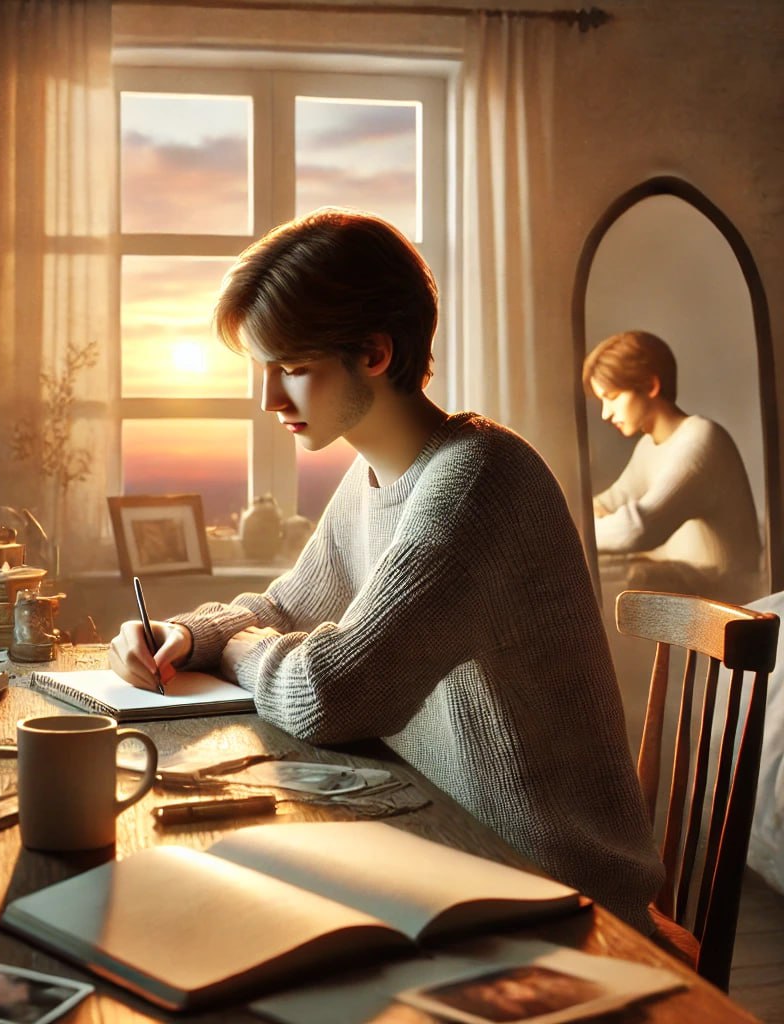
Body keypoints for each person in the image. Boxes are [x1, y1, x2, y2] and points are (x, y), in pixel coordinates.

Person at [109, 209, 663, 934]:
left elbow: (330, 694)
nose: (269, 401)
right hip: (447, 851)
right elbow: (287, 607)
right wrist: (187, 632)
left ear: (374, 351)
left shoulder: (477, 482)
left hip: (551, 891)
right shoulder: (377, 475)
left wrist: (232, 649)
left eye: (294, 370)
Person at [584, 330, 762, 604]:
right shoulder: (648, 446)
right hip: (691, 606)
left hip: (731, 614)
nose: (606, 413)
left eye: (613, 396)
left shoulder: (702, 439)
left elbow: (638, 530)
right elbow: (606, 504)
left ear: (650, 385)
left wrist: (575, 532)